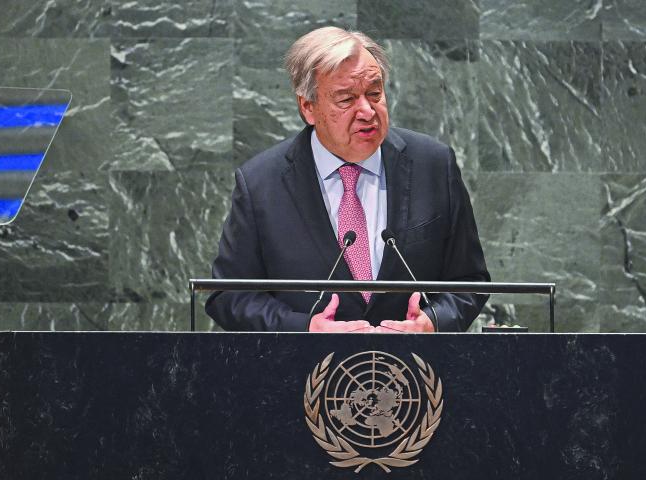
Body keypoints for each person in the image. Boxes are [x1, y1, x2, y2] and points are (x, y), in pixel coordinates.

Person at [205, 27, 489, 333]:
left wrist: (432, 322)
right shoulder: (261, 184)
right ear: (308, 107)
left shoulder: (433, 165)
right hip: (303, 374)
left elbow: (469, 281)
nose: (367, 111)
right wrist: (304, 329)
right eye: (346, 99)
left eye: (374, 93)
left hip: (416, 373)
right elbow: (229, 294)